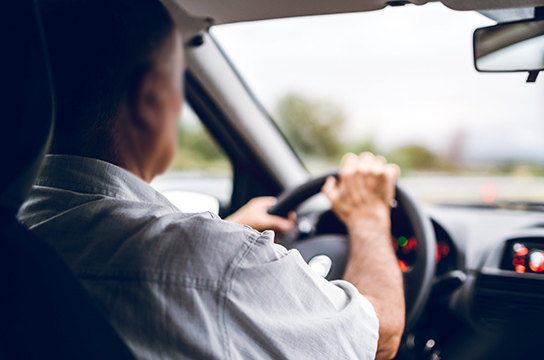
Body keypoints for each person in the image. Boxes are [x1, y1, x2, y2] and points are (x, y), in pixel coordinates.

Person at [18, 0, 404, 359]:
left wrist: (228, 231)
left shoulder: (20, 230)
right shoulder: (218, 263)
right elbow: (380, 337)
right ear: (152, 100)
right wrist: (369, 218)